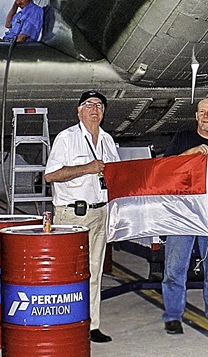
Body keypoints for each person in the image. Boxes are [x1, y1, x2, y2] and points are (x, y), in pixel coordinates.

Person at [44, 90, 120, 343]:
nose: (94, 109)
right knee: (69, 271)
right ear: (79, 111)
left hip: (100, 212)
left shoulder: (108, 140)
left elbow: (116, 177)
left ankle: (92, 325)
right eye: (88, 105)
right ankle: (65, 324)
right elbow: (50, 175)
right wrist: (87, 168)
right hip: (72, 215)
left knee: (95, 271)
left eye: (99, 105)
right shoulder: (67, 138)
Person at [161, 98, 208, 335]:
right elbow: (166, 168)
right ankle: (173, 315)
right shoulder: (183, 139)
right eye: (202, 112)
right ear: (196, 116)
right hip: (183, 213)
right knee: (175, 268)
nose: (206, 116)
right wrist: (191, 153)